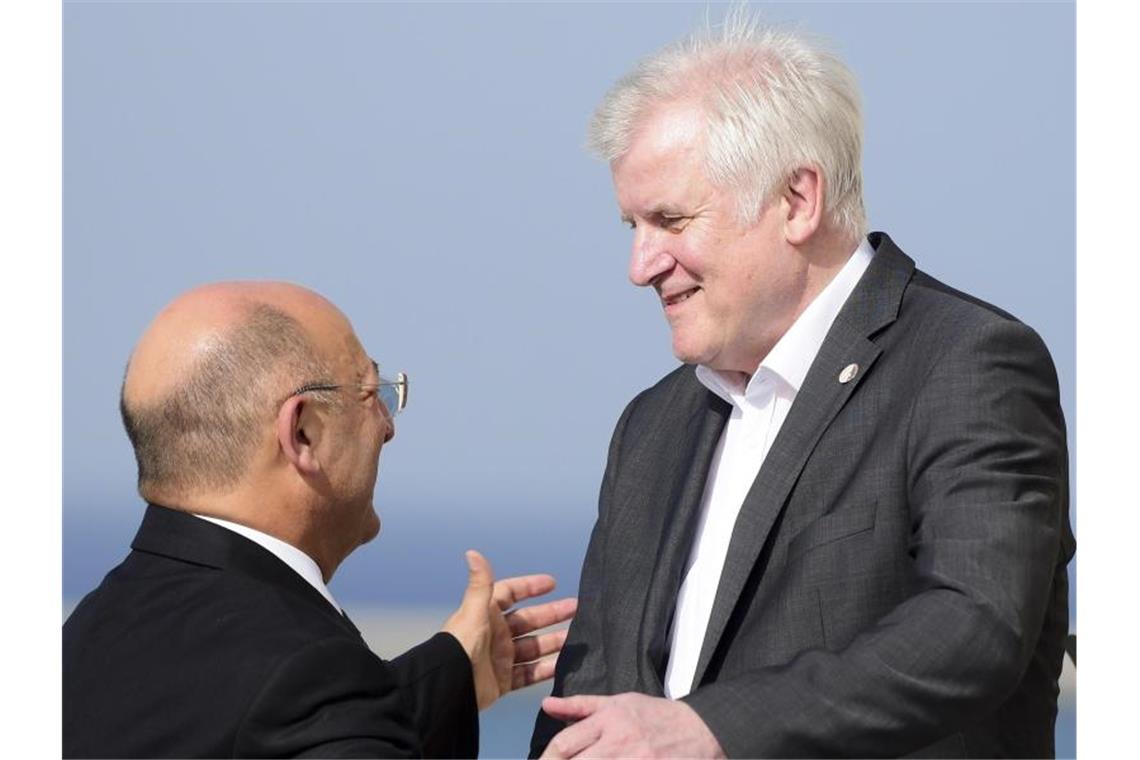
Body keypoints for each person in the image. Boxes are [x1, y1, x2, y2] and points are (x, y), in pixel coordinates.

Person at [530, 12, 1074, 759]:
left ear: (797, 201)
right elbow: (589, 704)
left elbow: (974, 625)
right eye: (631, 224)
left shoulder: (968, 362)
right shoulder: (651, 426)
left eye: (669, 219)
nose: (640, 263)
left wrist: (713, 727)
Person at [63, 281, 576, 758]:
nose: (387, 427)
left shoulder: (85, 635)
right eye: (372, 393)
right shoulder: (303, 670)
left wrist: (450, 674)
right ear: (302, 432)